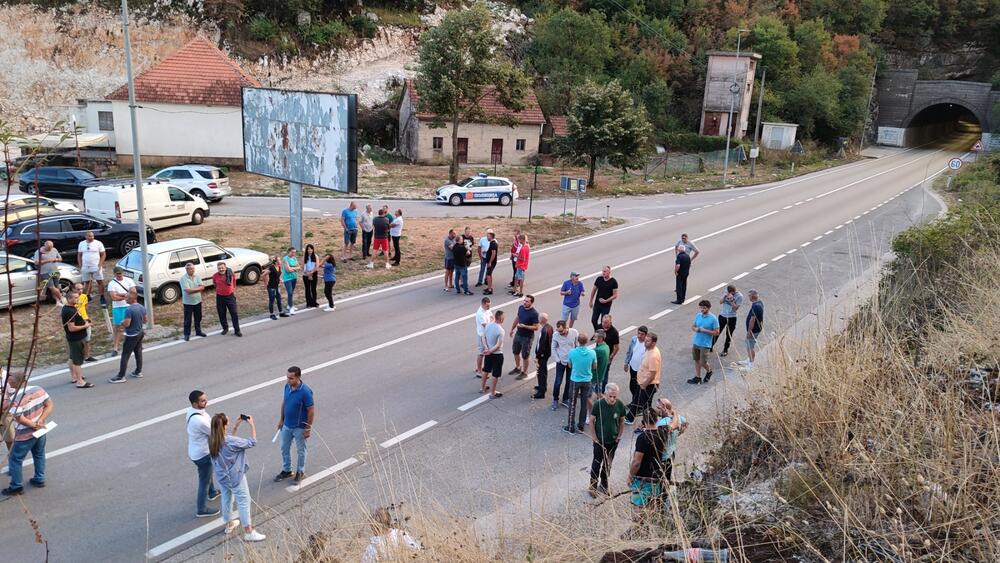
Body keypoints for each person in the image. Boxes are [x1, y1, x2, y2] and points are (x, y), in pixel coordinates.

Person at [209, 413, 265, 541]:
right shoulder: (229, 441)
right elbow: (252, 442)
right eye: (227, 423)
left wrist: (236, 427)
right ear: (224, 426)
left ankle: (229, 524)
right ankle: (249, 531)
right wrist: (252, 425)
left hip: (222, 477)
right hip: (235, 476)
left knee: (227, 498)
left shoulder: (212, 440)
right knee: (244, 501)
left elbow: (229, 445)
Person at [2, 372, 53, 496]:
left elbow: (20, 418)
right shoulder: (38, 389)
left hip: (25, 434)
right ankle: (39, 478)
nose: (8, 381)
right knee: (39, 454)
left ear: (17, 382)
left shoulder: (16, 399)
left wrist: (33, 425)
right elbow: (49, 404)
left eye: (11, 380)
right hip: (41, 429)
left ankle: (16, 486)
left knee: (15, 458)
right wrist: (40, 420)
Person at [274, 366, 315, 484]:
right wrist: (281, 419)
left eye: (291, 378)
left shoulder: (305, 391)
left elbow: (311, 410)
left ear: (298, 377)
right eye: (287, 377)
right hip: (287, 425)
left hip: (299, 427)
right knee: (284, 448)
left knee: (301, 450)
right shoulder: (287, 386)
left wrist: (308, 428)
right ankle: (287, 470)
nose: (288, 380)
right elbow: (284, 402)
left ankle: (300, 471)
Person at [186, 390, 220, 518]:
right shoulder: (199, 421)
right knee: (204, 481)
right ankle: (201, 509)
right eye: (202, 401)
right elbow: (215, 434)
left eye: (205, 399)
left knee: (207, 473)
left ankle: (212, 492)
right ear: (195, 403)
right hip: (202, 454)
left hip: (196, 451)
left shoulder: (191, 411)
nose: (206, 402)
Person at [589, 382, 625, 496]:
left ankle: (604, 485)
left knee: (607, 465)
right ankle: (592, 487)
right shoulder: (598, 404)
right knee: (596, 464)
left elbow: (622, 421)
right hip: (600, 441)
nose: (612, 399)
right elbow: (591, 421)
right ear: (604, 394)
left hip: (613, 441)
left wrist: (619, 436)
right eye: (610, 396)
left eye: (615, 397)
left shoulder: (619, 405)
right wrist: (594, 438)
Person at [628, 409, 668, 512]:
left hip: (642, 478)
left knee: (638, 508)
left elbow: (636, 462)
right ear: (656, 419)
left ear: (644, 422)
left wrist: (630, 476)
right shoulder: (662, 433)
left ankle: (638, 527)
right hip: (656, 476)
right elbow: (673, 423)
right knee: (651, 508)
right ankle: (647, 527)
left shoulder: (642, 438)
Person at [108, 289, 146, 383]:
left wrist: (122, 322)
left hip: (131, 334)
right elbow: (145, 320)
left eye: (126, 297)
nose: (125, 298)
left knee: (125, 355)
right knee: (138, 352)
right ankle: (138, 371)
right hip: (140, 332)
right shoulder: (141, 307)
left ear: (131, 299)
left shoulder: (129, 310)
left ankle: (121, 376)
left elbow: (127, 324)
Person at [61, 289, 94, 388]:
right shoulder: (70, 311)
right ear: (69, 298)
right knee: (77, 360)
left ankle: (74, 376)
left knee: (72, 357)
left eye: (78, 297)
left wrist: (84, 321)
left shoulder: (70, 308)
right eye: (75, 298)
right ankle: (80, 381)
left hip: (75, 338)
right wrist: (86, 326)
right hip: (76, 338)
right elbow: (72, 328)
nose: (78, 299)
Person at [564, 333, 596, 434]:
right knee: (583, 404)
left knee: (572, 403)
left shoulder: (572, 352)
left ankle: (570, 426)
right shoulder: (592, 353)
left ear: (578, 341)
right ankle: (581, 426)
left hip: (575, 380)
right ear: (586, 342)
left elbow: (569, 365)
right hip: (587, 380)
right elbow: (594, 366)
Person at [626, 332, 662, 423]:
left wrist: (644, 385)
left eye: (648, 341)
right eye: (645, 340)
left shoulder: (653, 356)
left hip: (648, 385)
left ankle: (637, 420)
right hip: (642, 382)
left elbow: (653, 374)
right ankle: (642, 420)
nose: (645, 342)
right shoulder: (648, 350)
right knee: (641, 403)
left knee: (642, 404)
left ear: (653, 343)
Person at [654, 398, 688, 484]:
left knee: (660, 479)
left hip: (662, 456)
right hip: (671, 452)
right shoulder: (678, 418)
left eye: (658, 408)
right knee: (667, 476)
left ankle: (662, 494)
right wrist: (679, 432)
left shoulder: (661, 423)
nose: (656, 409)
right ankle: (666, 494)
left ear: (664, 408)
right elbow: (686, 423)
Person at [688, 300, 720, 384]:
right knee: (696, 360)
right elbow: (693, 326)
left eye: (704, 308)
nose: (702, 309)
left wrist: (704, 330)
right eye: (701, 308)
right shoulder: (698, 315)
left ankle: (709, 371)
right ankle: (698, 377)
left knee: (703, 362)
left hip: (705, 344)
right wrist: (696, 329)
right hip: (696, 342)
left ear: (708, 308)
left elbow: (717, 332)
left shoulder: (713, 318)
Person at [509, 294, 539, 379]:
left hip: (527, 337)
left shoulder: (534, 313)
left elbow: (536, 327)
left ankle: (524, 372)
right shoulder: (521, 308)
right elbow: (517, 318)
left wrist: (525, 326)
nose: (524, 302)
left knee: (525, 355)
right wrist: (512, 329)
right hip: (518, 334)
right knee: (515, 351)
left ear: (531, 303)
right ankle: (518, 367)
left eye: (527, 301)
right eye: (524, 301)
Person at [108, 266, 136, 356]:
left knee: (131, 326)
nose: (119, 275)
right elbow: (113, 297)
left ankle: (134, 345)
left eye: (120, 273)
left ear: (123, 273)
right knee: (117, 327)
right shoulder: (111, 283)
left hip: (128, 306)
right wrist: (126, 295)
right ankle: (115, 348)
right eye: (117, 274)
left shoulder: (129, 280)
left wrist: (119, 294)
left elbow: (133, 293)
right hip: (118, 308)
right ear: (114, 274)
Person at [550, 320, 578, 410]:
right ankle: (555, 399)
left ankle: (565, 399)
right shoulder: (556, 335)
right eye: (558, 331)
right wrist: (558, 360)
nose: (560, 333)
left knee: (569, 382)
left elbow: (577, 346)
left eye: (562, 331)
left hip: (571, 362)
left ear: (567, 328)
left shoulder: (574, 332)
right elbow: (553, 348)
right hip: (561, 362)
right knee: (558, 382)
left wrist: (575, 360)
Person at [623, 327, 648, 423]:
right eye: (639, 333)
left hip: (641, 372)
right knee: (632, 387)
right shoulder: (634, 339)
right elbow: (629, 351)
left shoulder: (647, 344)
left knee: (639, 390)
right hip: (633, 368)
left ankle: (638, 407)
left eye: (642, 334)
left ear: (646, 335)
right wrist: (626, 363)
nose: (639, 336)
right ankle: (634, 402)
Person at [77, 230, 107, 307]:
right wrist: (80, 265)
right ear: (86, 236)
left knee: (100, 281)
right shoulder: (81, 244)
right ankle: (87, 296)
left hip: (96, 266)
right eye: (90, 236)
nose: (91, 237)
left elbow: (103, 254)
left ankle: (102, 296)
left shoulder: (98, 243)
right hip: (85, 266)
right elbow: (79, 255)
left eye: (92, 236)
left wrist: (100, 264)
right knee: (86, 282)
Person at [212, 262, 242, 337]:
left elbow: (234, 282)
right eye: (219, 268)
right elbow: (215, 284)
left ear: (225, 267)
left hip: (230, 297)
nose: (221, 269)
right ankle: (225, 328)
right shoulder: (215, 276)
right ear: (217, 269)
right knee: (221, 314)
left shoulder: (231, 274)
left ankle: (237, 330)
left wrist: (231, 289)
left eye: (222, 267)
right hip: (220, 297)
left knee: (234, 313)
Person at [713, 285, 743, 357]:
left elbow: (736, 308)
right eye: (728, 292)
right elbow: (720, 302)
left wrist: (732, 300)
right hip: (722, 316)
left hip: (732, 317)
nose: (730, 294)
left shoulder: (739, 296)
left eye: (732, 293)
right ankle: (710, 346)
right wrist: (725, 297)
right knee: (717, 332)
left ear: (734, 291)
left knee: (729, 334)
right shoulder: (726, 292)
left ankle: (725, 349)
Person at [480, 310, 505, 397]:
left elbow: (483, 337)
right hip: (497, 354)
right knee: (495, 374)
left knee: (486, 370)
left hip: (488, 353)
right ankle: (493, 392)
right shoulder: (501, 330)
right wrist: (490, 351)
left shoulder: (488, 325)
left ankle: (482, 388)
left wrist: (486, 348)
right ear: (501, 319)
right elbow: (498, 345)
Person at [181, 263, 208, 341]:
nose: (192, 270)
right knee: (187, 320)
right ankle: (187, 334)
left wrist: (195, 289)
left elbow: (203, 287)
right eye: (190, 269)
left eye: (193, 268)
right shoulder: (183, 279)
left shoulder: (197, 276)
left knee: (198, 317)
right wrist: (198, 289)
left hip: (198, 301)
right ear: (186, 270)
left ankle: (198, 331)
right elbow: (188, 291)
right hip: (188, 303)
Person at [589, 266, 619, 332]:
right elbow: (593, 290)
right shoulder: (599, 279)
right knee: (593, 320)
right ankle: (597, 332)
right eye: (602, 271)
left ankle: (602, 335)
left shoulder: (613, 282)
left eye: (605, 271)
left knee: (603, 322)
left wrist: (606, 301)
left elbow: (615, 295)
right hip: (597, 304)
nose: (603, 273)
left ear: (609, 272)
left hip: (606, 306)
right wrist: (591, 301)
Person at [72, 283, 97, 362]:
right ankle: (78, 356)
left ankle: (87, 356)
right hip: (76, 321)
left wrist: (87, 318)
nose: (80, 291)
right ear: (73, 289)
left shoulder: (84, 297)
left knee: (87, 340)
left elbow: (85, 308)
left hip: (85, 320)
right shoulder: (71, 298)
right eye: (78, 289)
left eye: (81, 289)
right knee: (78, 341)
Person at [741, 289, 764, 370]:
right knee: (748, 344)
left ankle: (750, 365)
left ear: (752, 297)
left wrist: (749, 331)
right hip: (756, 328)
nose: (748, 297)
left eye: (749, 296)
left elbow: (752, 320)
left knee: (750, 346)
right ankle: (749, 359)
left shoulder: (755, 306)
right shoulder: (759, 302)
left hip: (754, 330)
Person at [533, 312, 553, 399]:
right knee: (543, 371)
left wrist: (537, 356)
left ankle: (541, 391)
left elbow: (541, 345)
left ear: (540, 320)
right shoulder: (549, 327)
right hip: (547, 353)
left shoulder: (544, 330)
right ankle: (542, 386)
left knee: (541, 372)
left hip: (542, 355)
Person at [262, 256, 287, 321]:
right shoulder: (272, 268)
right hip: (271, 287)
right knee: (272, 300)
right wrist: (266, 284)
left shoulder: (279, 267)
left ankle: (281, 312)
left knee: (279, 299)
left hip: (277, 286)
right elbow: (264, 275)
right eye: (279, 260)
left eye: (280, 260)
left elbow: (277, 276)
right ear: (275, 262)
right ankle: (272, 314)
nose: (280, 261)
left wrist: (280, 279)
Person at [474, 297, 493, 378]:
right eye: (487, 306)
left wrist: (493, 321)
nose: (489, 307)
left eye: (489, 306)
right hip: (482, 335)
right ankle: (479, 371)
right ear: (483, 304)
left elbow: (492, 316)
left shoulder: (487, 309)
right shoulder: (480, 314)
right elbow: (486, 325)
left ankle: (481, 368)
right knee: (481, 353)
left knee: (486, 352)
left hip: (487, 334)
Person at [600, 315, 621, 384]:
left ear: (610, 322)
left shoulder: (614, 332)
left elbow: (617, 347)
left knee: (604, 375)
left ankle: (603, 391)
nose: (603, 324)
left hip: (607, 357)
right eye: (603, 322)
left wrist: (610, 357)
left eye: (606, 322)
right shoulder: (600, 328)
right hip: (598, 355)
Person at [452, 230, 472, 295]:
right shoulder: (462, 247)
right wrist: (468, 250)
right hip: (462, 264)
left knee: (457, 277)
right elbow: (468, 253)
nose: (462, 240)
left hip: (456, 264)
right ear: (460, 240)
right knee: (464, 277)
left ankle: (458, 289)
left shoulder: (454, 246)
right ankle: (466, 290)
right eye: (462, 239)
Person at [282, 247, 300, 315]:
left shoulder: (294, 258)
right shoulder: (285, 259)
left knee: (291, 292)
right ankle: (291, 307)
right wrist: (295, 268)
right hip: (287, 278)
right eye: (292, 252)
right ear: (288, 252)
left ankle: (289, 304)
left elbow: (299, 267)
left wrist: (292, 268)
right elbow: (288, 270)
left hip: (294, 277)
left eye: (295, 252)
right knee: (289, 292)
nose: (294, 253)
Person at [593, 330, 610, 399]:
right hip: (601, 374)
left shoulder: (598, 350)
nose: (594, 338)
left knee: (590, 394)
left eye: (595, 337)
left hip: (595, 375)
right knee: (598, 391)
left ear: (600, 338)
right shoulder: (606, 346)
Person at [302, 244, 319, 309]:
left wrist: (311, 273)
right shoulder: (304, 257)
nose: (309, 250)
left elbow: (317, 266)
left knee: (313, 289)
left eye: (311, 249)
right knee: (307, 289)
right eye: (308, 249)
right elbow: (303, 266)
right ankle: (308, 303)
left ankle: (314, 302)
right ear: (306, 250)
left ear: (313, 249)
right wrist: (308, 273)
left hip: (314, 274)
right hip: (306, 274)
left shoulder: (316, 256)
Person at [482, 229, 498, 296]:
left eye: (488, 236)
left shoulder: (493, 244)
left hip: (491, 262)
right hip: (490, 261)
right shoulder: (491, 243)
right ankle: (489, 287)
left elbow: (493, 253)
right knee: (489, 275)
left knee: (488, 275)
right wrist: (486, 252)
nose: (487, 237)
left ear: (491, 236)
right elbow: (491, 252)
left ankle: (489, 290)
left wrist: (490, 262)